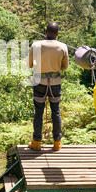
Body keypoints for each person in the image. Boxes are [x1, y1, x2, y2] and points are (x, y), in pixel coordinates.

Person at [27, 22, 69, 151]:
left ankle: (37, 142)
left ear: (46, 32)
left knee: (38, 111)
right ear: (57, 33)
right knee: (55, 111)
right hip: (55, 83)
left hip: (39, 81)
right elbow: (65, 67)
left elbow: (30, 65)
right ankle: (57, 143)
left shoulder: (36, 45)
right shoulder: (63, 46)